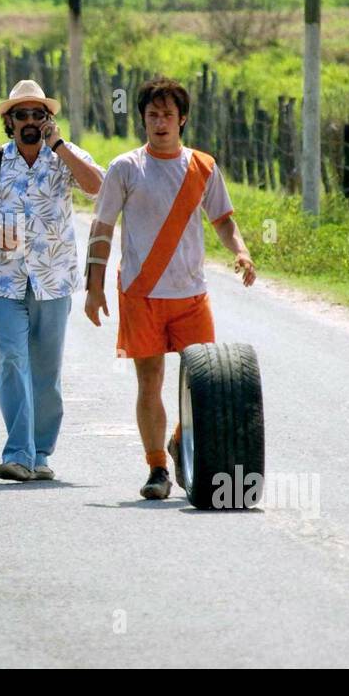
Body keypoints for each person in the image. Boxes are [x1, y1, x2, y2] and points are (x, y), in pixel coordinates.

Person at [84, 77, 256, 500]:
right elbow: (102, 227)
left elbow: (223, 220)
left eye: (168, 115)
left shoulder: (203, 167)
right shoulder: (126, 167)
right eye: (152, 115)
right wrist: (94, 286)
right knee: (150, 381)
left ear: (183, 120)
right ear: (143, 119)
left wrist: (242, 251)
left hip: (191, 295)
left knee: (204, 384)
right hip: (141, 294)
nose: (160, 123)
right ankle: (157, 468)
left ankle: (181, 441)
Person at [0, 79, 103, 482]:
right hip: (4, 281)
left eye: (38, 114)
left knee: (46, 370)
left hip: (53, 279)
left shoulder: (64, 157)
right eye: (21, 114)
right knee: (12, 360)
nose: (29, 121)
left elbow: (98, 187)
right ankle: (18, 452)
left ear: (49, 120)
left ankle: (41, 452)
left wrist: (60, 146)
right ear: (9, 121)